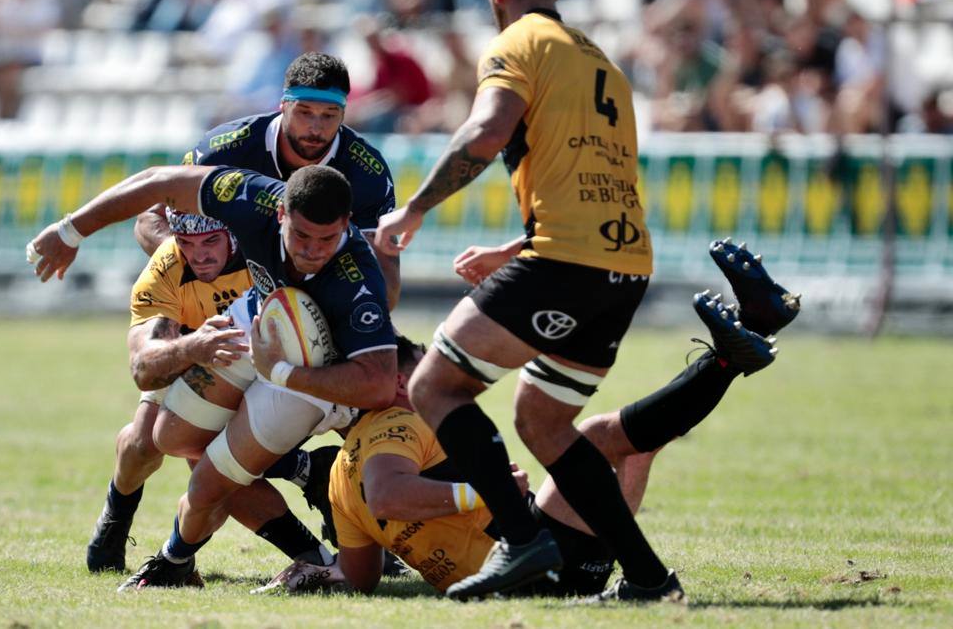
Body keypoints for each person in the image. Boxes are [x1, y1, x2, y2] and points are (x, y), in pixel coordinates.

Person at [374, 0, 783, 601]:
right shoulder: (605, 66)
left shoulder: (515, 43)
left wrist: (412, 210)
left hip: (567, 261)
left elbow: (487, 130)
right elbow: (591, 175)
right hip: (620, 266)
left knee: (434, 387)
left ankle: (521, 538)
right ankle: (649, 579)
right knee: (543, 418)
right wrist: (518, 246)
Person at [274, 253, 796, 599]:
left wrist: (326, 574)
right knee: (594, 437)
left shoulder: (343, 480)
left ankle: (741, 343)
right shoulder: (396, 421)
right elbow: (389, 496)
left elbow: (361, 576)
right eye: (416, 371)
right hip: (535, 565)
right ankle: (735, 351)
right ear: (393, 383)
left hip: (551, 565)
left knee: (627, 447)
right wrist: (485, 492)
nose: (427, 380)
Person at [28, 164, 397, 591]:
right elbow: (160, 184)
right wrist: (71, 230)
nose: (312, 251)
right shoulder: (241, 209)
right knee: (163, 438)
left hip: (310, 360)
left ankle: (177, 560)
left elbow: (378, 381)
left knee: (209, 477)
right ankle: (305, 471)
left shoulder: (356, 280)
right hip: (243, 325)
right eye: (300, 236)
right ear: (279, 215)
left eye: (326, 239)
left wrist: (280, 370)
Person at [86, 208, 333, 576]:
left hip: (264, 355)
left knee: (214, 468)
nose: (199, 255)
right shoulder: (166, 267)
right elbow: (144, 370)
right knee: (145, 443)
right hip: (190, 352)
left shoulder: (265, 244)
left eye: (211, 242)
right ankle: (117, 517)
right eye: (187, 243)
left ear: (232, 233)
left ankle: (334, 545)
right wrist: (192, 347)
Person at [134, 51, 400, 309]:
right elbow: (150, 219)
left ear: (344, 114)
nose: (316, 128)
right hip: (219, 300)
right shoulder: (223, 151)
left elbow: (386, 290)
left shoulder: (368, 174)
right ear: (283, 105)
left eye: (329, 115)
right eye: (304, 112)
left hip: (313, 304)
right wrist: (194, 262)